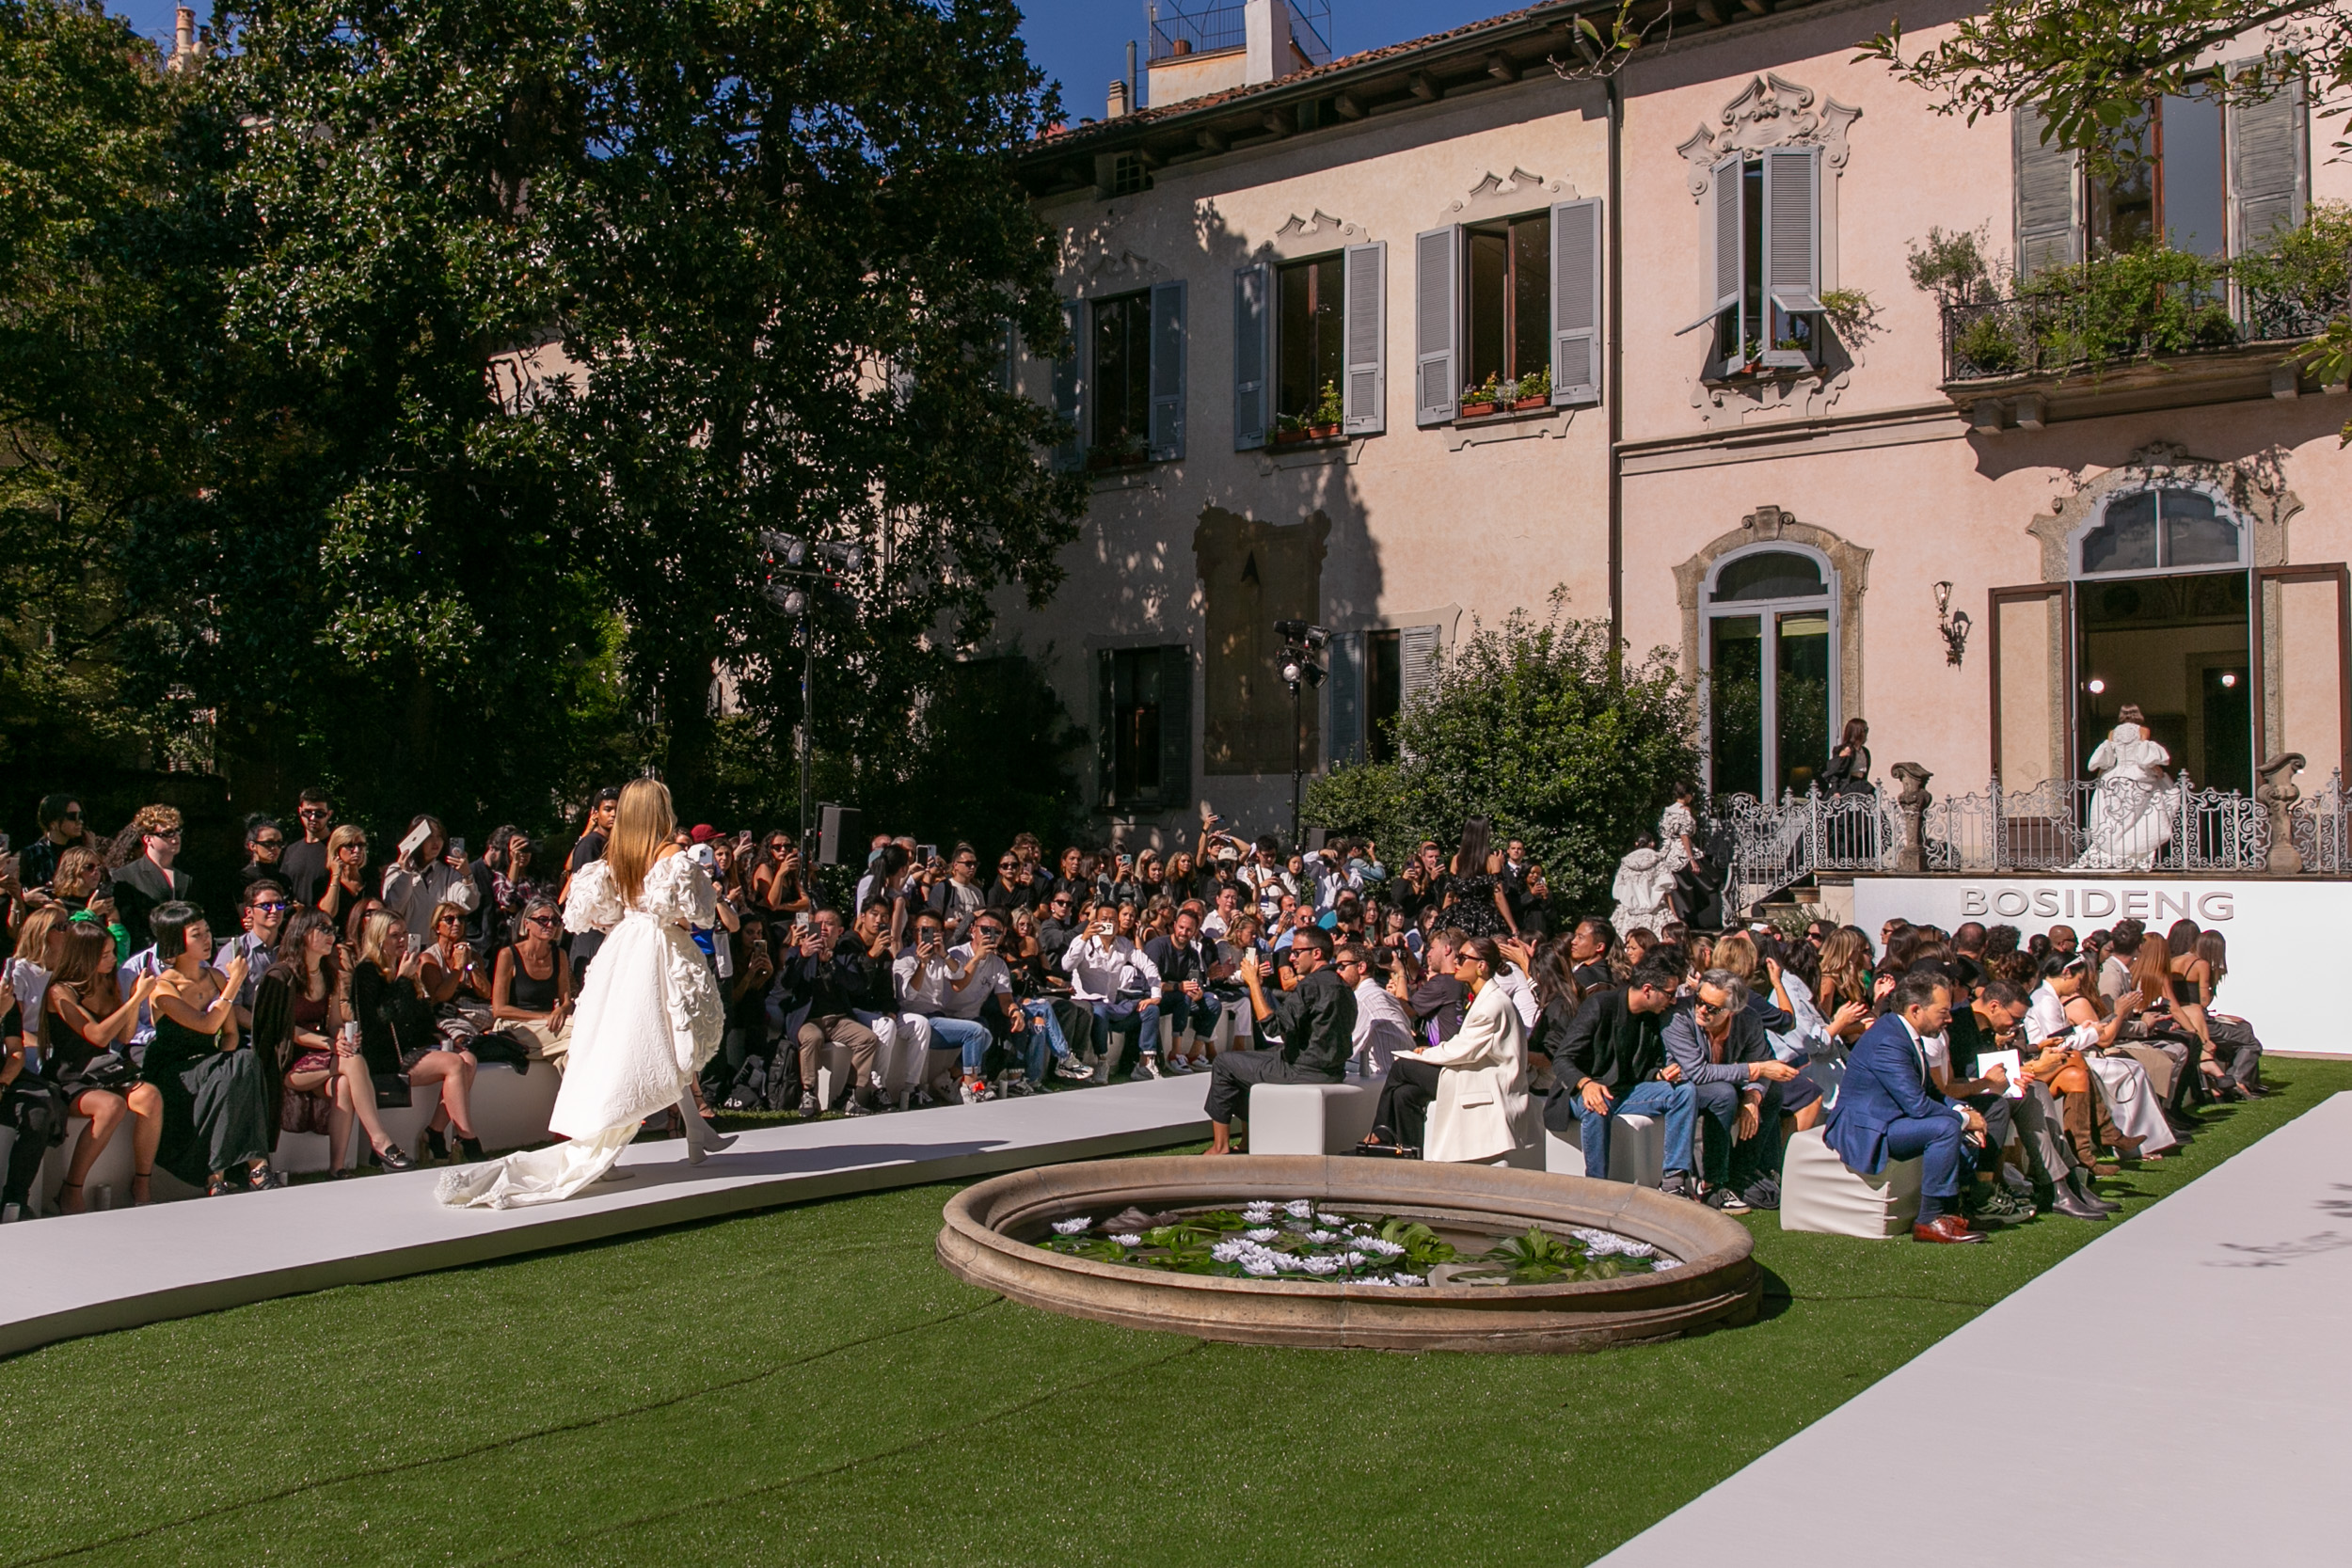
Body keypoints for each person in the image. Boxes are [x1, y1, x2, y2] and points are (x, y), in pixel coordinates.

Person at [439, 778, 733, 1208]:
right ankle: (681, 1132)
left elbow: (590, 915)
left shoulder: (618, 856)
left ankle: (696, 1132)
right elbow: (701, 914)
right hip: (657, 948)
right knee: (663, 1043)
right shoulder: (669, 856)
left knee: (651, 1044)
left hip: (625, 948)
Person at [1821, 969, 1986, 1243]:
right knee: (1945, 1128)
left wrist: (1964, 1112)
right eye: (1943, 1011)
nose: (1950, 1017)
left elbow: (1931, 1092)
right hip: (1867, 1128)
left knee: (1952, 1120)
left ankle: (1951, 1210)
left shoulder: (1903, 1033)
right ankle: (1929, 1220)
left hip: (1891, 1119)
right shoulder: (1889, 1040)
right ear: (1915, 1010)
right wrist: (1965, 1121)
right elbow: (1919, 1106)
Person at [139, 901, 277, 1196]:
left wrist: (224, 1061)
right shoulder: (163, 987)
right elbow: (206, 1025)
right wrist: (235, 982)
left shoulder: (214, 978)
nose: (207, 940)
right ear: (177, 941)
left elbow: (229, 1034)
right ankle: (252, 1167)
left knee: (243, 1059)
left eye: (207, 932)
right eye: (196, 934)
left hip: (211, 1064)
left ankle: (227, 1173)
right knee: (236, 1065)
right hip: (175, 1069)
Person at [1540, 959, 1699, 1198]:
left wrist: (1659, 1075)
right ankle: (1597, 1188)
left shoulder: (1650, 1017)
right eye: (1669, 993)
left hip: (1625, 1092)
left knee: (1684, 1091)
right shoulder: (1600, 1005)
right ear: (1647, 989)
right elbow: (1562, 1058)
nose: (1673, 999)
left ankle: (1673, 1180)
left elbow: (1639, 1069)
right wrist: (1586, 1084)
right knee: (1597, 1103)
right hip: (1578, 1091)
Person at [1365, 937, 1534, 1162]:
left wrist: (1426, 1054)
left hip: (1485, 1080)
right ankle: (1409, 1156)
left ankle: (1378, 1133)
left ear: (1481, 966)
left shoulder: (1493, 1004)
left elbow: (1464, 1049)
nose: (1456, 962)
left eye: (1463, 958)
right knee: (1405, 1094)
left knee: (1401, 1067)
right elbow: (1465, 1044)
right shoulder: (1484, 998)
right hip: (1473, 1071)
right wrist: (1430, 1051)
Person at [345, 911, 484, 1168]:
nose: (401, 941)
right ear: (378, 938)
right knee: (454, 1064)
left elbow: (419, 1017)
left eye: (404, 934)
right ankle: (468, 1137)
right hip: (384, 1055)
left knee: (468, 1060)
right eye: (394, 936)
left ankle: (435, 1130)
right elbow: (378, 1020)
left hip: (410, 1047)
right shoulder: (366, 972)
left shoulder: (404, 966)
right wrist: (401, 980)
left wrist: (442, 1036)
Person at [1200, 927, 1355, 1155]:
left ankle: (1220, 1147)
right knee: (1249, 1062)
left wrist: (1253, 983)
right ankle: (1246, 1142)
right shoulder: (1344, 986)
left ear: (1317, 953)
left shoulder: (1310, 985)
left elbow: (1272, 1026)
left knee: (1224, 1063)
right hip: (1333, 1068)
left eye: (1296, 952)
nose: (1291, 958)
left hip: (1302, 1070)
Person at [1662, 967, 1801, 1212]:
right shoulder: (1679, 1016)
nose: (1702, 1010)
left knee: (1772, 1093)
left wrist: (1753, 1096)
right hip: (1681, 1087)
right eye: (1700, 1000)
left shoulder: (1748, 1019)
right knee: (1723, 1094)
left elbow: (1764, 1059)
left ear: (1732, 1011)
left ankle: (1742, 1173)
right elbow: (1699, 1073)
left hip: (1721, 1082)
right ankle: (1714, 1183)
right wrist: (1754, 1070)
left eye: (1713, 1008)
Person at [41, 925, 160, 1211]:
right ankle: (72, 1187)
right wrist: (133, 1000)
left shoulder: (107, 982)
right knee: (110, 1107)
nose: (112, 960)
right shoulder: (60, 992)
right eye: (104, 954)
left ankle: (142, 1182)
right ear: (84, 955)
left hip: (104, 1069)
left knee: (150, 1096)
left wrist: (136, 999)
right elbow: (97, 1035)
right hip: (70, 1074)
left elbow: (123, 1035)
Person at [251, 909, 352, 1164]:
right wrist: (329, 1043)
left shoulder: (330, 975)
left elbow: (335, 1024)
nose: (332, 936)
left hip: (319, 1056)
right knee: (353, 1063)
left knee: (345, 1082)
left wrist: (342, 1038)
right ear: (304, 933)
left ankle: (338, 1165)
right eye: (324, 929)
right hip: (287, 1058)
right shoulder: (282, 975)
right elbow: (281, 1030)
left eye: (334, 930)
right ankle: (380, 1141)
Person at [784, 907, 882, 1115]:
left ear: (839, 931)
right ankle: (808, 1092)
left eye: (828, 924)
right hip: (807, 1019)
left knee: (867, 1039)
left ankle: (849, 1094)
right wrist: (803, 955)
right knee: (813, 1037)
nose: (823, 929)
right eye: (818, 924)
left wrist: (832, 965)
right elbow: (786, 983)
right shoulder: (798, 952)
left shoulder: (845, 956)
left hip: (837, 1019)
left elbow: (856, 985)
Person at [2074, 707, 2176, 870]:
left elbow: (2107, 759)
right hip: (2136, 774)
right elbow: (2144, 757)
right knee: (2139, 817)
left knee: (2114, 818)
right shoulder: (2143, 730)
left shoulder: (2112, 733)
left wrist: (2101, 777)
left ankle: (2112, 850)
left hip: (2115, 775)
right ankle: (2133, 853)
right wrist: (2160, 772)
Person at [489, 895, 574, 1070]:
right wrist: (544, 1016)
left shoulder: (560, 955)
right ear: (527, 923)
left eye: (554, 921)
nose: (549, 925)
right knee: (579, 1032)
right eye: (543, 920)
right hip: (516, 1026)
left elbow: (565, 1000)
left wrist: (561, 1009)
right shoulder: (508, 955)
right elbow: (499, 1009)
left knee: (568, 1055)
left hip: (549, 1026)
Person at [1143, 908, 1221, 1073]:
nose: (1184, 932)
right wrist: (1178, 987)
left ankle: (1193, 1054)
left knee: (1213, 1002)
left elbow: (1196, 982)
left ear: (1195, 931)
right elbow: (1149, 984)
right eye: (1181, 927)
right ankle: (1175, 1053)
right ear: (1174, 925)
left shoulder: (1192, 954)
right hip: (1155, 998)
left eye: (1189, 930)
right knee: (1182, 997)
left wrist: (1198, 992)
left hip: (1182, 999)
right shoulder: (1157, 946)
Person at [108, 804, 195, 954]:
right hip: (149, 954)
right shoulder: (125, 876)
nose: (175, 837)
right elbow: (132, 926)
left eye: (177, 831)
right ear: (148, 839)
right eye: (167, 833)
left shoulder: (190, 871)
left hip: (190, 952)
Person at [380, 816, 479, 936]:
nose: (436, 842)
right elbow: (394, 908)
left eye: (439, 836)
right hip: (406, 943)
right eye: (430, 836)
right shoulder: (396, 870)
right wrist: (406, 874)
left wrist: (467, 875)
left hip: (438, 946)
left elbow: (468, 905)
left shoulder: (449, 873)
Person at [1440, 818, 1516, 940]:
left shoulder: (1457, 860)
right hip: (1485, 918)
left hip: (1460, 917)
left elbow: (1449, 896)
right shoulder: (1492, 861)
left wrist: (1441, 921)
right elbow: (1499, 897)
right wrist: (1513, 927)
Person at [19, 794, 91, 892]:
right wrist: (25, 897)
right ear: (53, 823)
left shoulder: (81, 851)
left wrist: (91, 851)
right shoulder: (31, 854)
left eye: (81, 816)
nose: (80, 821)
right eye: (72, 817)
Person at [278, 789, 335, 909]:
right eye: (308, 813)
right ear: (300, 811)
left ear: (329, 814)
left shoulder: (338, 848)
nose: (313, 818)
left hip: (327, 921)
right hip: (296, 923)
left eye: (320, 813)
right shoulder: (291, 850)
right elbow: (283, 888)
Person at [1611, 835, 1674, 936]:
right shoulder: (1657, 860)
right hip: (1655, 914)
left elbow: (1618, 890)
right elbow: (1667, 888)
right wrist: (1674, 914)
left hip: (1629, 914)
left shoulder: (1626, 862)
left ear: (1636, 843)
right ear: (1652, 844)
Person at [316, 824, 372, 937]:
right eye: (350, 846)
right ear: (337, 850)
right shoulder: (322, 882)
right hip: (336, 943)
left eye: (361, 845)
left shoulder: (371, 880)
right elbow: (327, 914)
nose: (356, 850)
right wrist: (335, 876)